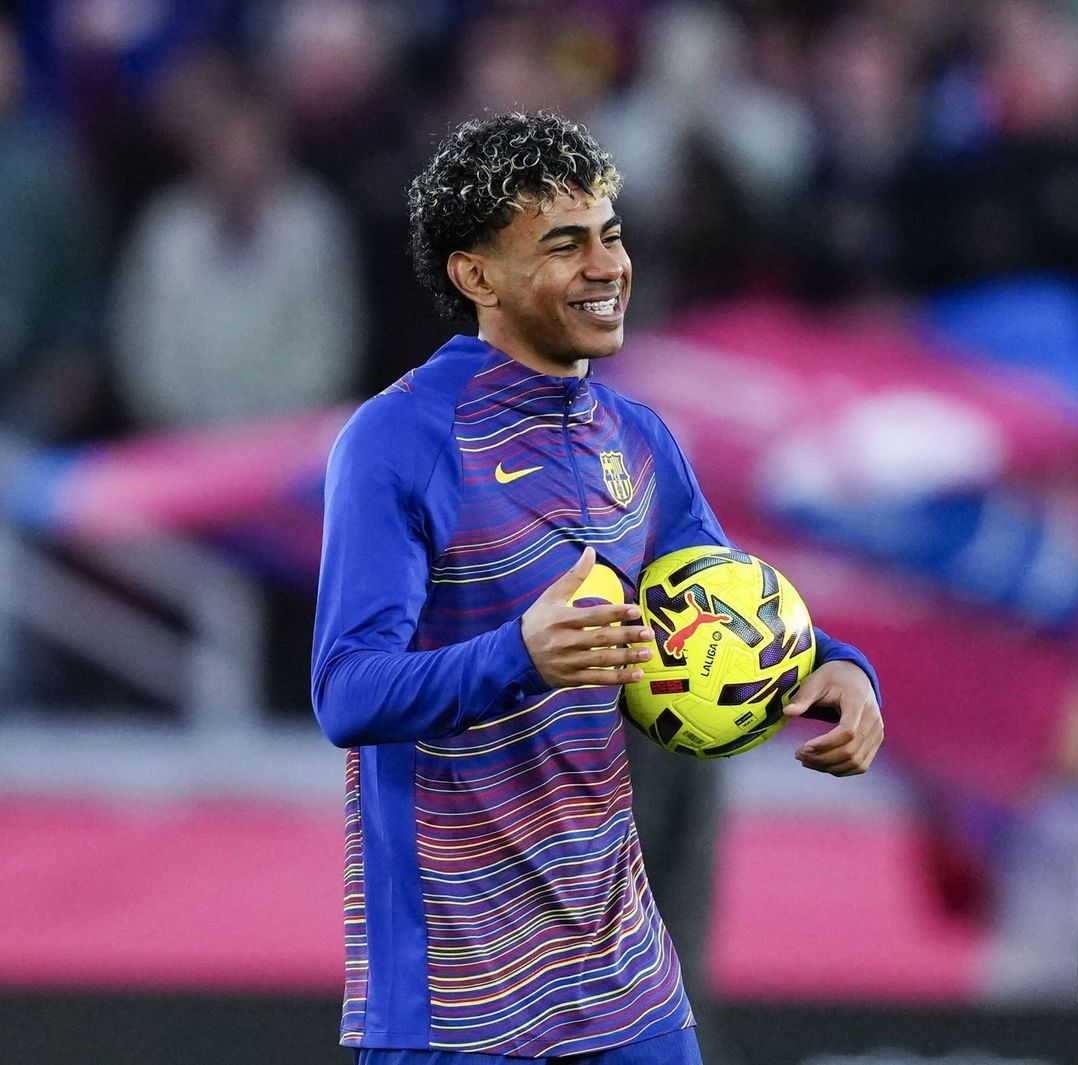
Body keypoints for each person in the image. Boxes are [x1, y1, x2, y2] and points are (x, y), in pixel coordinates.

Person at [311, 110, 884, 1065]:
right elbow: (345, 690)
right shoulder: (397, 442)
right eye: (564, 244)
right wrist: (518, 656)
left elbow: (734, 606)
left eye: (612, 234)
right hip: (456, 998)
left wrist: (842, 667)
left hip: (626, 985)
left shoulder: (640, 439)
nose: (607, 265)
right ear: (476, 274)